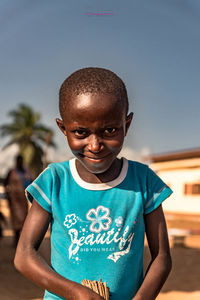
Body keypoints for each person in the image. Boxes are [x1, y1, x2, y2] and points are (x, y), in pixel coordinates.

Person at [14, 67, 172, 300]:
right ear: (63, 129)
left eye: (109, 130)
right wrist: (77, 293)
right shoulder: (54, 181)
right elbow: (24, 256)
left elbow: (161, 257)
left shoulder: (144, 182)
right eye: (80, 132)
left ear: (126, 125)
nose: (95, 145)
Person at [5, 154, 32, 246]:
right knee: (16, 219)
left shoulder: (26, 171)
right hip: (14, 200)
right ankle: (16, 239)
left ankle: (21, 240)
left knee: (24, 219)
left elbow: (32, 182)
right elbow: (6, 183)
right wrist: (8, 195)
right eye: (18, 161)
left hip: (24, 200)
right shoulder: (12, 172)